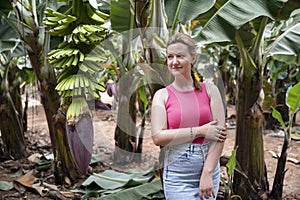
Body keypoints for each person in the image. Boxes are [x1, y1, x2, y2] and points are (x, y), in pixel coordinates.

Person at [151, 33, 227, 200]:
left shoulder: (211, 90)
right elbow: (158, 137)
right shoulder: (162, 95)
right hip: (178, 171)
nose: (174, 61)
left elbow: (220, 136)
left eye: (180, 56)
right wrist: (201, 131)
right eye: (170, 56)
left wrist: (207, 173)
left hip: (209, 168)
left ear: (193, 58)